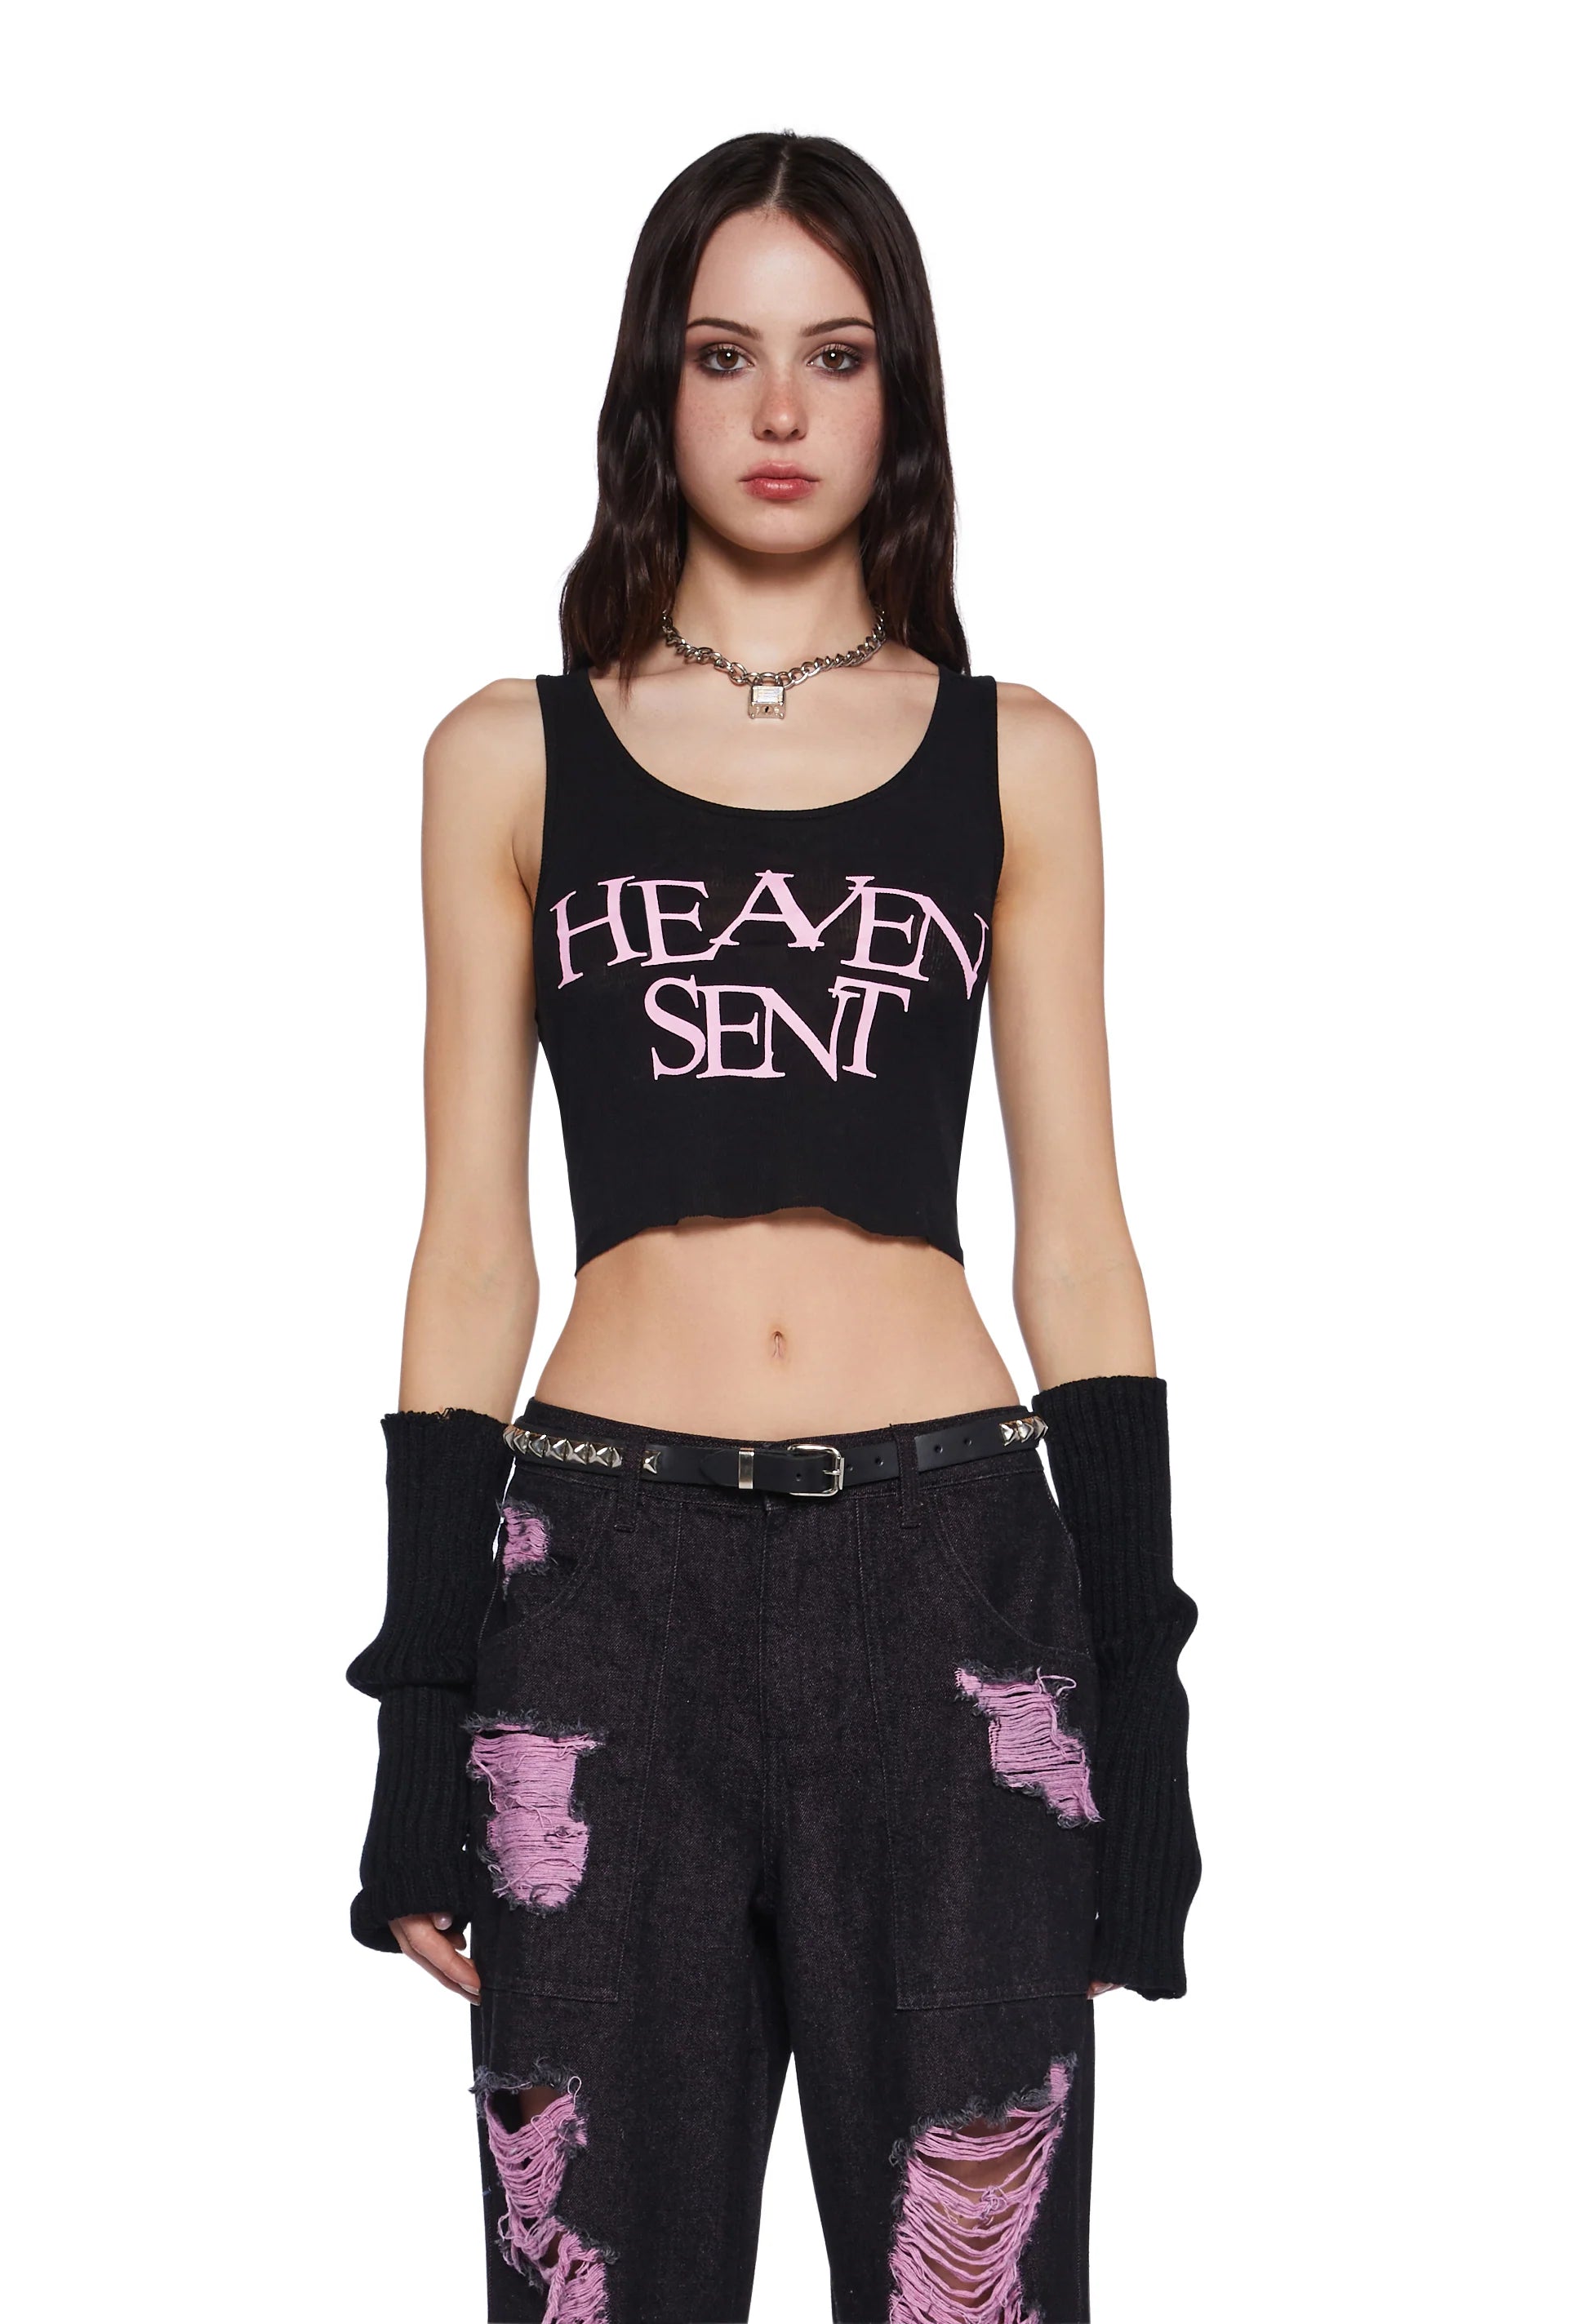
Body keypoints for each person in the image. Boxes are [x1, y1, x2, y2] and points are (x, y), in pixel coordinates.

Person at [346, 130, 1199, 2324]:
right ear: (659, 385)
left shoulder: (1017, 758)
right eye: (728, 355)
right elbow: (470, 1249)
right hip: (600, 1594)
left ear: (904, 390)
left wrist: (1142, 1704)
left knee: (968, 2285)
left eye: (840, 353)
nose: (785, 410)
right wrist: (423, 1708)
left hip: (952, 1588)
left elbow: (1080, 1246)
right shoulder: (507, 757)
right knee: (593, 2279)